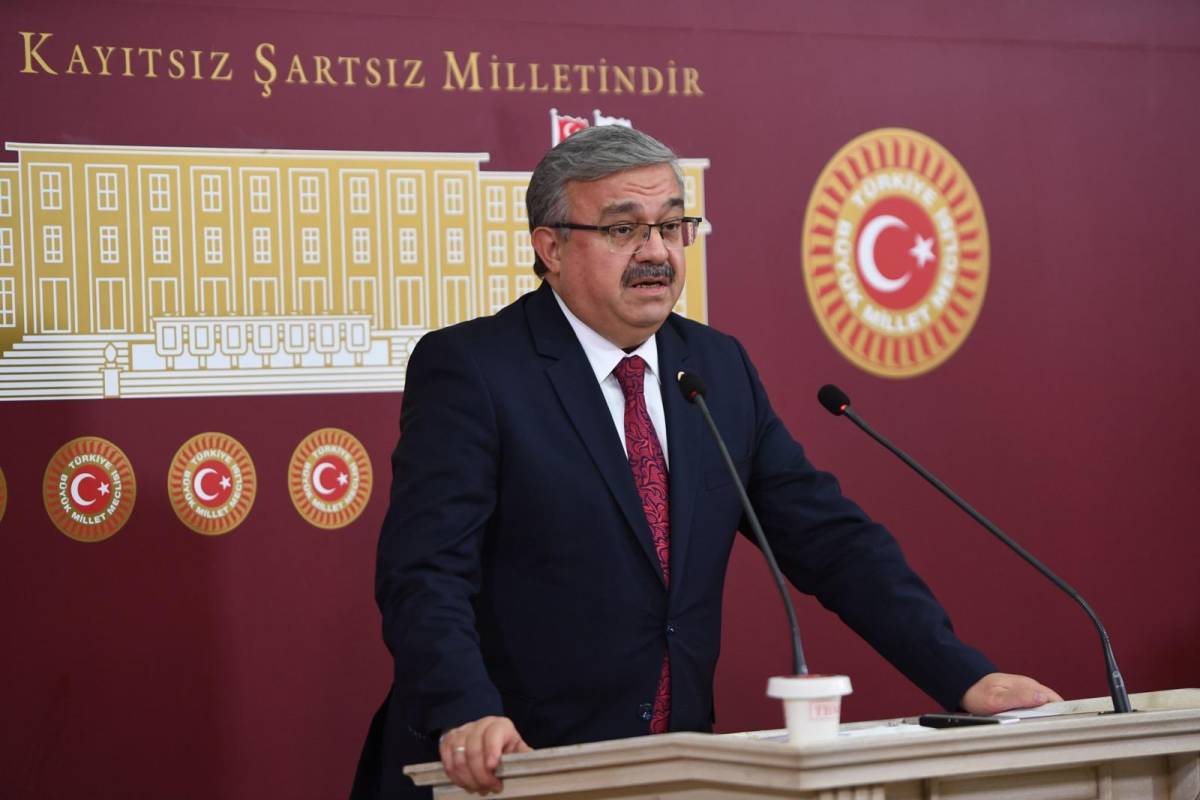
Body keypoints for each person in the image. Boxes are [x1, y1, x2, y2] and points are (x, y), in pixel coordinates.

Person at [350, 125, 1060, 798]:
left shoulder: (716, 367)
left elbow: (832, 544)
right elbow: (426, 570)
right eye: (623, 229)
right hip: (511, 766)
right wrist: (467, 711)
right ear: (551, 247)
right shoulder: (474, 369)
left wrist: (965, 677)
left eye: (672, 225)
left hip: (674, 768)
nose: (656, 251)